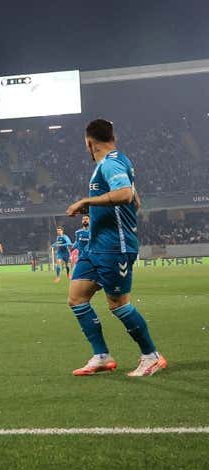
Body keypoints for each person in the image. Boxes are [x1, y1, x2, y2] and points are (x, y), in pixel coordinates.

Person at [66, 119, 165, 377]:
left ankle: (151, 355)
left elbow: (125, 195)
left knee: (118, 304)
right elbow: (136, 201)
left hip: (114, 247)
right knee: (77, 298)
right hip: (95, 246)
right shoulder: (116, 162)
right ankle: (101, 356)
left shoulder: (110, 163)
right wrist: (96, 207)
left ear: (89, 143)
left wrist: (87, 200)